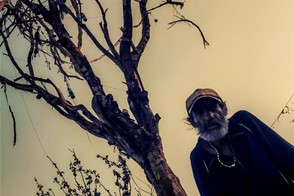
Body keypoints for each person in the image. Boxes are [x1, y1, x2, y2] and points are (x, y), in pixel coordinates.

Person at [186, 88, 294, 196]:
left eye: (212, 108)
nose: (209, 116)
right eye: (199, 113)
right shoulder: (198, 157)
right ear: (193, 122)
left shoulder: (243, 122)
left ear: (224, 110)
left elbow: (287, 155)